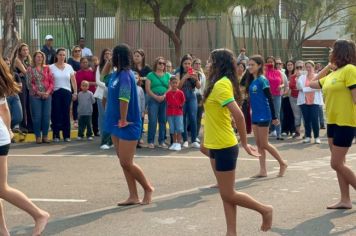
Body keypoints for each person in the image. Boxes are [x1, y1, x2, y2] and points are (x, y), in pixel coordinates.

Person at [203, 49, 272, 235]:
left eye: (210, 61)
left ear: (219, 64)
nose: (207, 64)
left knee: (228, 193)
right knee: (226, 193)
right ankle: (231, 232)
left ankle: (265, 210)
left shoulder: (221, 85)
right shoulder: (216, 84)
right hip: (215, 144)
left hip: (225, 144)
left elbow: (240, 116)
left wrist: (244, 143)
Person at [0, 55, 50, 236]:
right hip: (2, 137)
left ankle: (39, 214)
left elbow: (4, 110)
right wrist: (8, 131)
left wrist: (7, 132)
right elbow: (4, 109)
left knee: (1, 188)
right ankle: (3, 230)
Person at [104, 43, 154, 205]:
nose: (111, 58)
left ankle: (147, 188)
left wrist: (124, 119)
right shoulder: (115, 75)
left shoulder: (126, 75)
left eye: (113, 56)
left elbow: (124, 98)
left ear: (119, 57)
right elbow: (102, 78)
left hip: (127, 122)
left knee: (127, 161)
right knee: (123, 161)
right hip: (114, 122)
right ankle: (133, 195)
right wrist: (108, 63)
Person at [309, 39, 356, 209]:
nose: (330, 52)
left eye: (333, 50)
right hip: (332, 123)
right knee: (340, 164)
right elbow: (312, 83)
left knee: (335, 163)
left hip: (346, 122)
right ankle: (345, 200)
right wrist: (328, 66)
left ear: (341, 52)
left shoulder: (350, 70)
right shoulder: (333, 74)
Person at [245, 55, 288, 178]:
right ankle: (263, 170)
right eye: (249, 64)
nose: (250, 67)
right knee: (259, 144)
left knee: (264, 143)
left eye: (252, 64)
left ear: (259, 65)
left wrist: (274, 117)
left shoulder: (262, 80)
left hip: (264, 114)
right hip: (255, 115)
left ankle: (282, 163)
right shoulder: (252, 80)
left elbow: (270, 98)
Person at [50, 48, 77, 142]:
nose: (62, 57)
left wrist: (75, 92)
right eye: (60, 55)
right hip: (55, 92)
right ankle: (56, 135)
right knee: (56, 113)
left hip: (67, 92)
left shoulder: (69, 67)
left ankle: (66, 135)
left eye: (63, 55)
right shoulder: (51, 67)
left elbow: (73, 81)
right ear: (56, 56)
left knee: (66, 113)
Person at [27, 51, 54, 144]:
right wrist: (38, 92)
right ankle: (38, 136)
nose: (39, 58)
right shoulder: (30, 69)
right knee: (37, 117)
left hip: (47, 95)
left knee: (46, 117)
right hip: (35, 96)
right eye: (37, 57)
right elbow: (29, 84)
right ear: (34, 58)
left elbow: (51, 82)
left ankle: (45, 136)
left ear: (43, 58)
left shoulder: (47, 68)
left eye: (41, 57)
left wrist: (47, 92)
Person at [145, 57, 170, 148]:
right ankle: (150, 141)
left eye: (164, 63)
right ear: (156, 64)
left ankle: (161, 141)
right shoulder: (150, 75)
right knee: (152, 120)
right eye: (160, 63)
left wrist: (163, 96)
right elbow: (147, 89)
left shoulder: (168, 75)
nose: (162, 65)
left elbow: (170, 87)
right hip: (153, 98)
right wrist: (156, 97)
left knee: (163, 120)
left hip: (164, 98)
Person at [296, 60, 323, 144]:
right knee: (306, 120)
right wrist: (297, 78)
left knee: (315, 119)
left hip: (315, 101)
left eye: (309, 67)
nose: (308, 68)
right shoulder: (302, 77)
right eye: (306, 67)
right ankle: (308, 136)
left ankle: (317, 137)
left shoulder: (317, 76)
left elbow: (319, 88)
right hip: (304, 101)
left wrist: (304, 89)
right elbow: (299, 88)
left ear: (313, 67)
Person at [177, 54, 201, 148]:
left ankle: (194, 139)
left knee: (193, 117)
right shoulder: (179, 73)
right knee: (183, 118)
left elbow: (198, 87)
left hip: (192, 96)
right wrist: (185, 77)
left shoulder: (194, 73)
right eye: (185, 63)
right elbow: (178, 87)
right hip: (182, 97)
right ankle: (185, 140)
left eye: (189, 63)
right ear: (182, 64)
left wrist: (196, 79)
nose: (187, 65)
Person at [11, 43, 33, 132]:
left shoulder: (26, 61)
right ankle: (22, 126)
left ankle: (29, 126)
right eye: (23, 50)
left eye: (27, 50)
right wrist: (25, 74)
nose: (26, 51)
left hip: (26, 84)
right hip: (20, 85)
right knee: (23, 105)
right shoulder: (17, 60)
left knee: (28, 105)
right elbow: (27, 73)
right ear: (19, 51)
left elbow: (29, 73)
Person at [94, 49, 113, 149]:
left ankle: (111, 139)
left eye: (109, 54)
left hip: (112, 96)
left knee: (111, 118)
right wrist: (108, 86)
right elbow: (98, 81)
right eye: (106, 54)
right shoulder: (99, 67)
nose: (108, 55)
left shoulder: (114, 67)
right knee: (103, 117)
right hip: (101, 95)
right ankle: (104, 139)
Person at [76, 57, 99, 136]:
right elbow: (82, 83)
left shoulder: (91, 71)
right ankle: (81, 133)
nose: (85, 63)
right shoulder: (78, 73)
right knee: (84, 115)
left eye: (86, 62)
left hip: (93, 94)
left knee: (95, 113)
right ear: (80, 63)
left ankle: (96, 130)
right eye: (83, 62)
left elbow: (96, 79)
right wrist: (94, 83)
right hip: (83, 95)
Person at [265, 56, 284, 140]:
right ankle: (266, 132)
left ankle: (278, 134)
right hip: (267, 96)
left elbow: (283, 83)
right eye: (268, 62)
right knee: (267, 114)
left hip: (277, 95)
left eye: (271, 62)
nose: (270, 63)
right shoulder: (264, 73)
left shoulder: (278, 72)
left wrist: (281, 86)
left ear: (274, 63)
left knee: (277, 114)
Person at [166, 76, 185, 151]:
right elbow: (167, 101)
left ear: (178, 83)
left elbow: (183, 101)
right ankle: (174, 143)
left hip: (178, 113)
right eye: (173, 83)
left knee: (179, 128)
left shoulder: (180, 92)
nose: (174, 85)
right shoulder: (168, 93)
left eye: (176, 83)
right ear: (170, 83)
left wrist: (180, 105)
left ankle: (179, 143)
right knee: (172, 128)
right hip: (170, 113)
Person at [289, 60, 304, 138]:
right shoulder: (292, 76)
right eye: (297, 67)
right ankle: (297, 132)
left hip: (304, 98)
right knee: (297, 115)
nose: (299, 69)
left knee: (305, 116)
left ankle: (307, 133)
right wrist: (297, 78)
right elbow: (291, 86)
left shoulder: (306, 76)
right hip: (294, 97)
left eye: (300, 67)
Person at [193, 58, 206, 140]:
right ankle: (189, 134)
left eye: (199, 64)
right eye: (196, 63)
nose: (198, 65)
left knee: (198, 117)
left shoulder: (202, 75)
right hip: (191, 95)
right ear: (193, 65)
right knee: (190, 117)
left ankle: (196, 134)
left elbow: (203, 88)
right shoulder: (189, 73)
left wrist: (203, 98)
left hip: (199, 96)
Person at [134, 72, 145, 148]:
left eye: (137, 78)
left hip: (138, 111)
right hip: (130, 112)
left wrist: (143, 111)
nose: (135, 79)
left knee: (139, 126)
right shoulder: (127, 87)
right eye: (133, 77)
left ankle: (138, 140)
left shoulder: (140, 89)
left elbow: (142, 100)